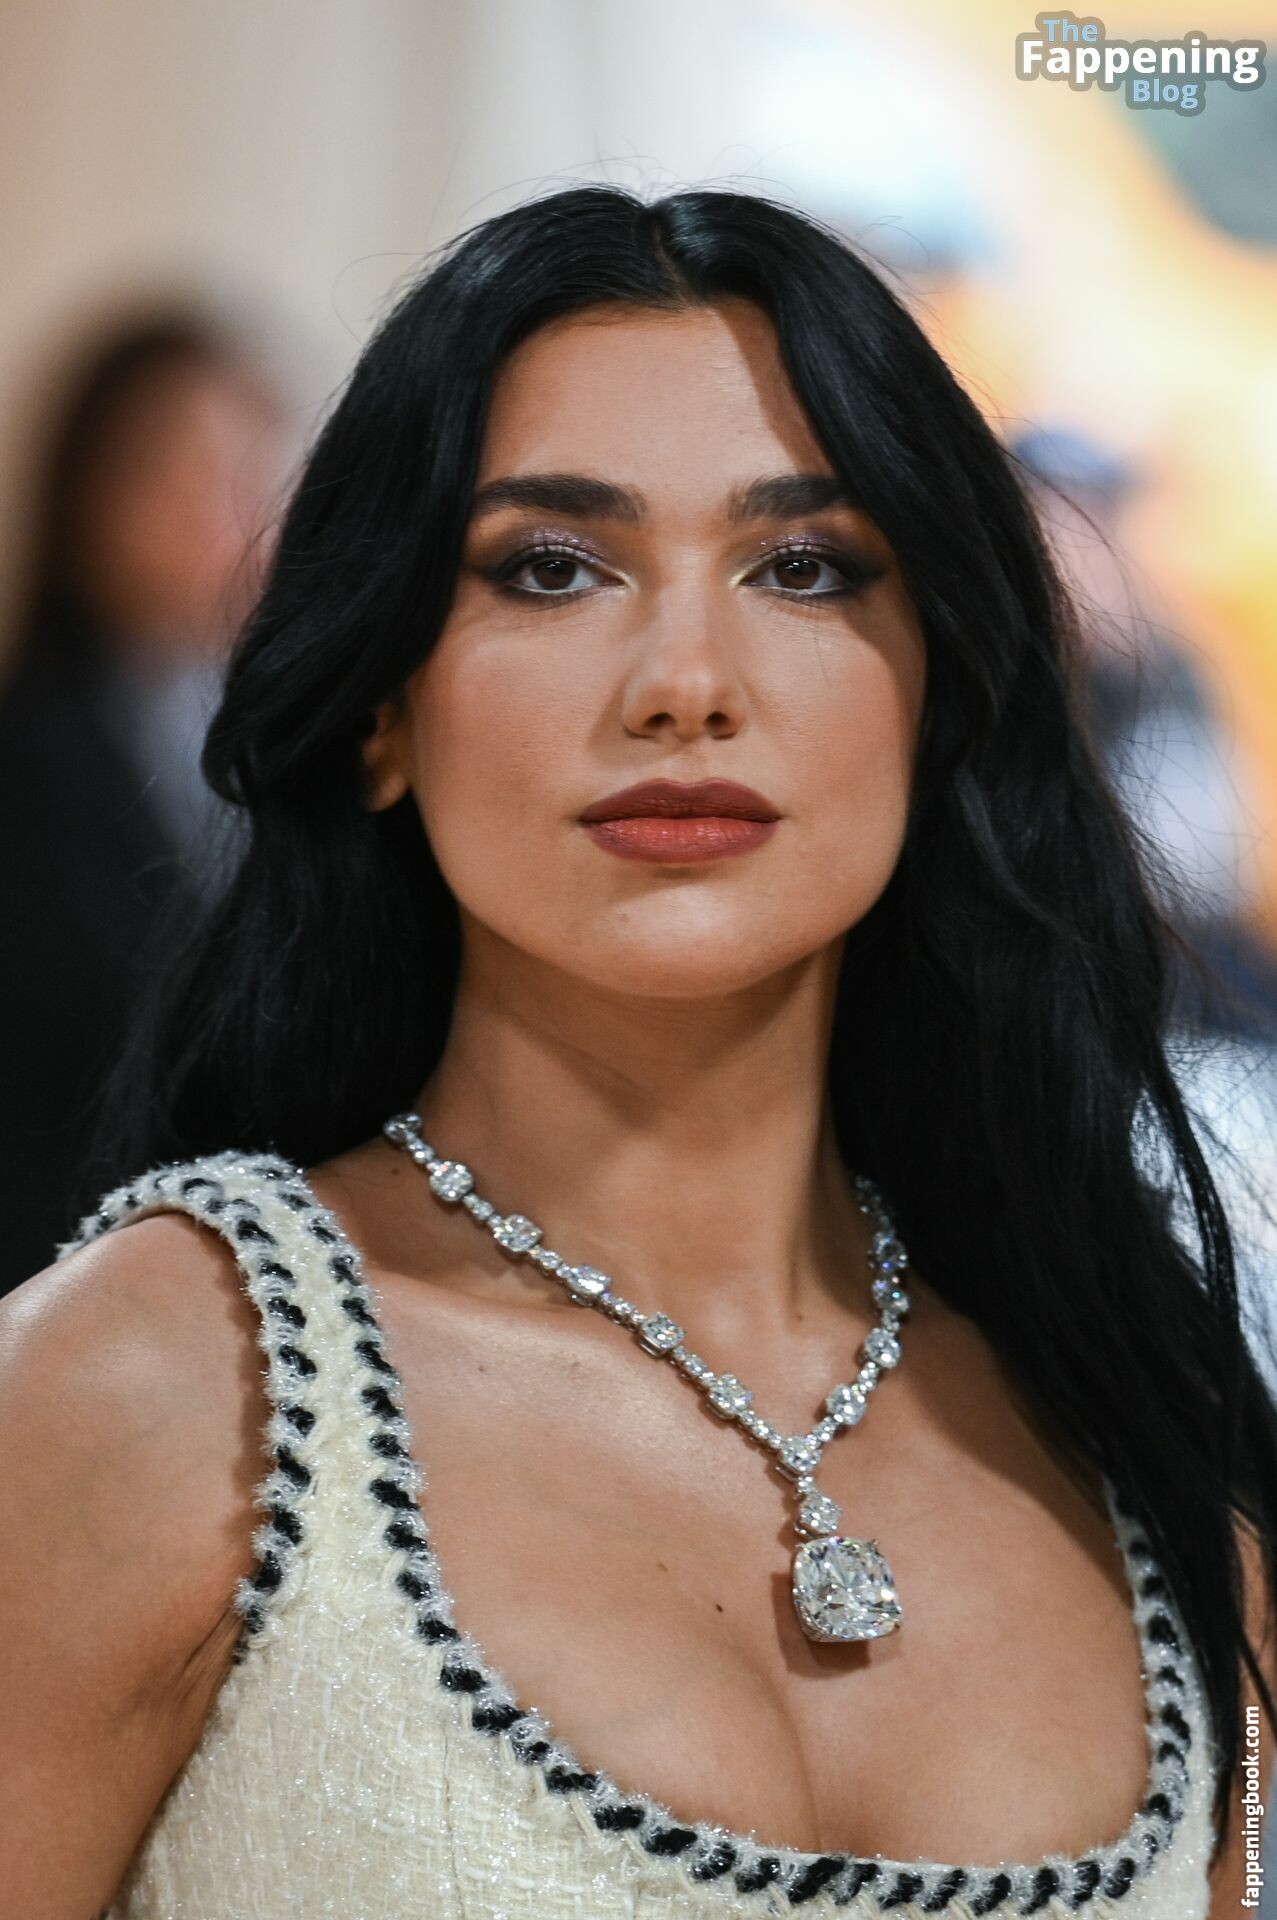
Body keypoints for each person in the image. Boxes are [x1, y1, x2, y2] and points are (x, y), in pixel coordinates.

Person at [1, 185, 1273, 1919]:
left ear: (939, 695)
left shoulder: (1146, 1437)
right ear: (379, 710)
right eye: (551, 568)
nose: (684, 681)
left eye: (805, 568)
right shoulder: (149, 1392)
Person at [0, 310, 288, 1295]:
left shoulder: (300, 745)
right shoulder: (29, 754)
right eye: (181, 477)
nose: (223, 517)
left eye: (248, 476)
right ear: (86, 495)